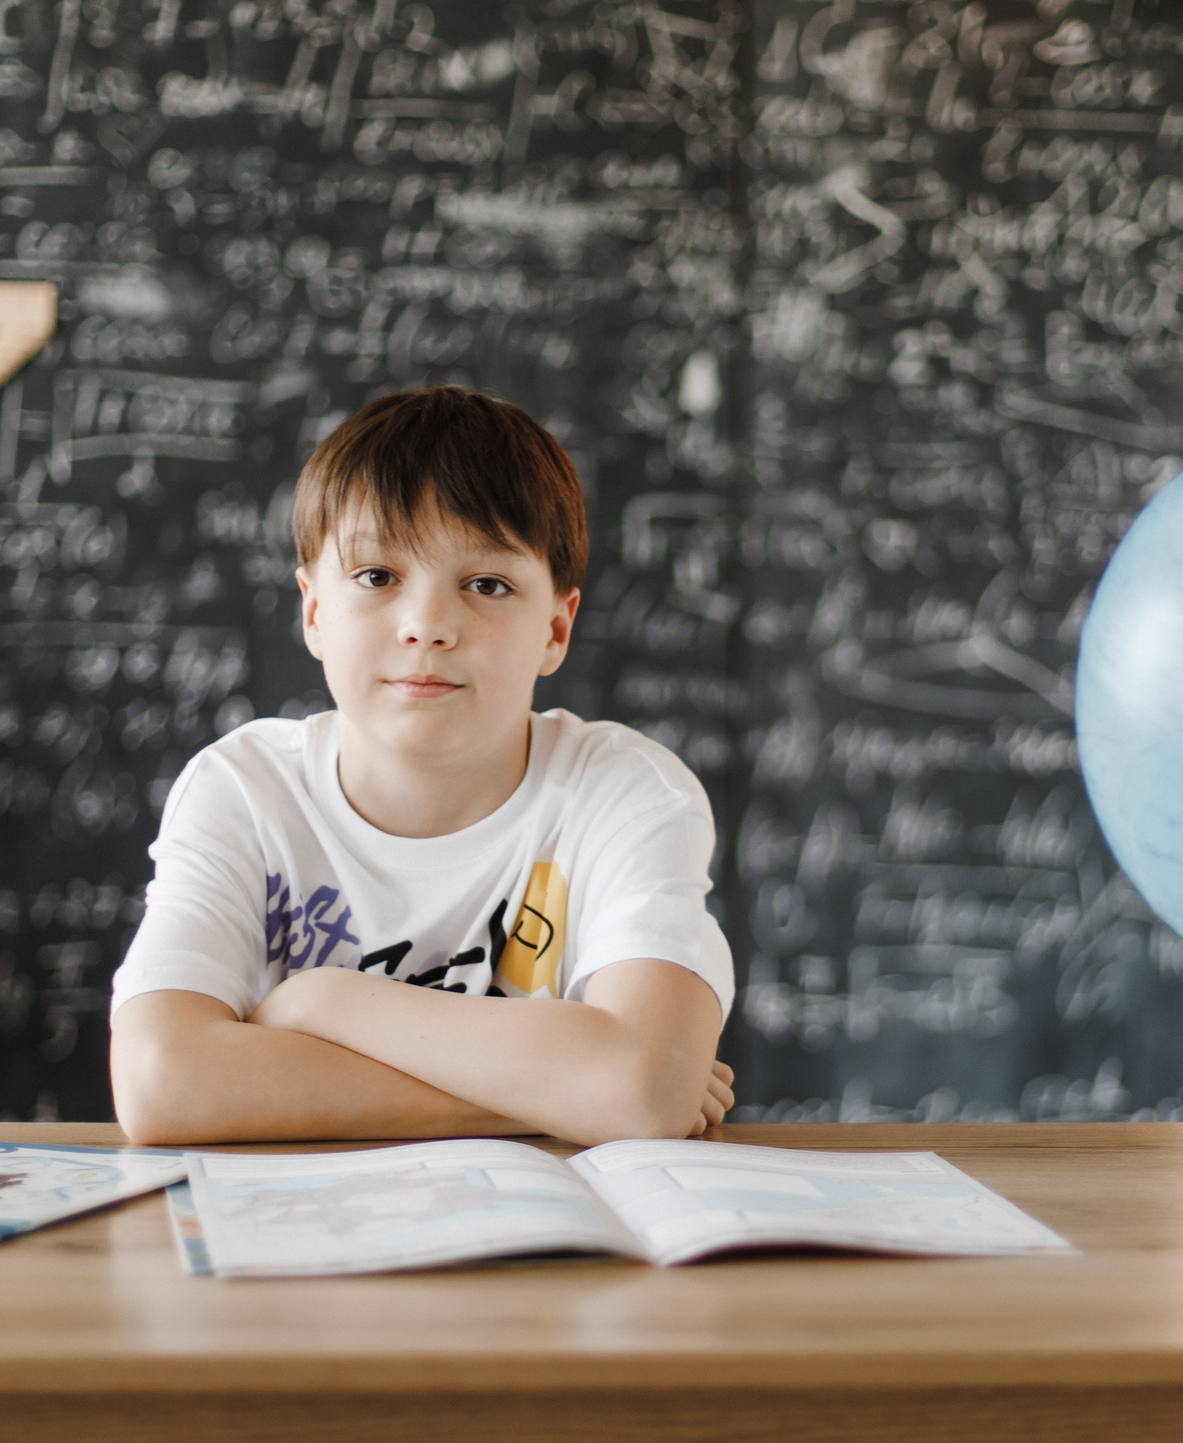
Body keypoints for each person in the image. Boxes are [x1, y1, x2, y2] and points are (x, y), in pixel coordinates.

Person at [108, 386, 737, 1145]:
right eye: (377, 576)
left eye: (487, 584)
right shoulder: (244, 790)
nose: (429, 625)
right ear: (313, 612)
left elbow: (640, 1092)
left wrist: (323, 1002)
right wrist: (550, 1094)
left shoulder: (628, 794)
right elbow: (159, 1085)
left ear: (556, 628)